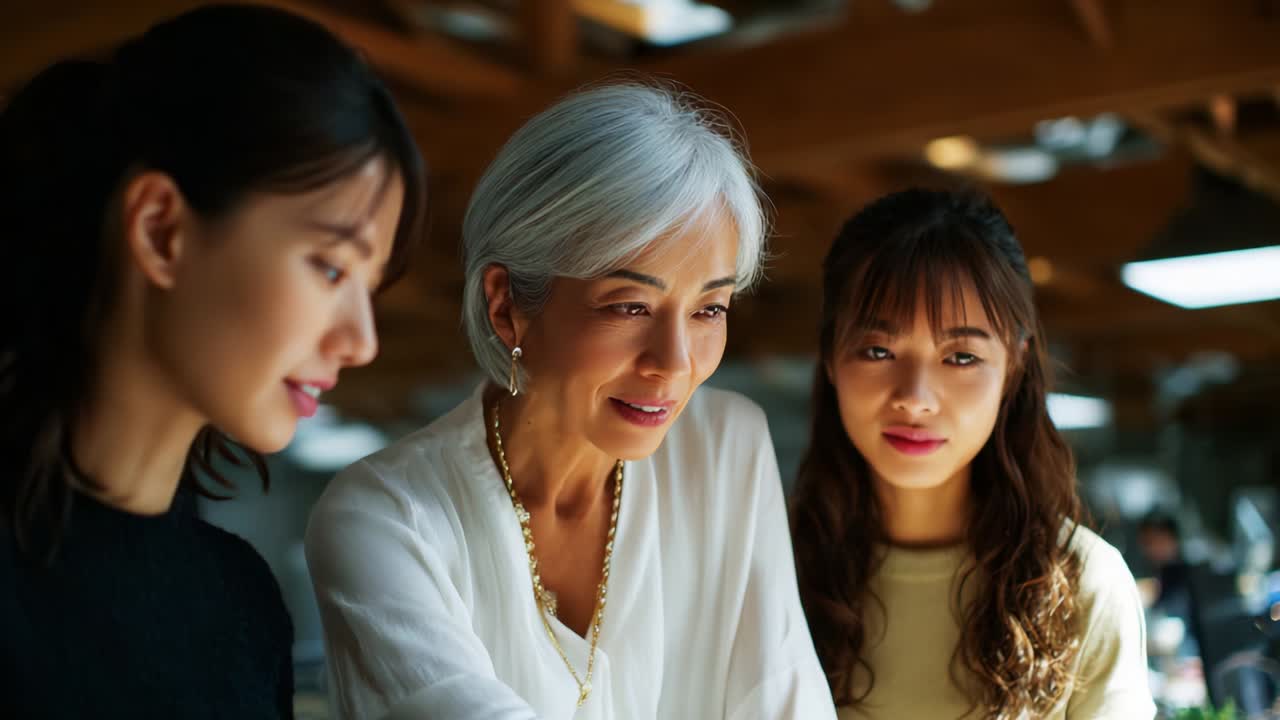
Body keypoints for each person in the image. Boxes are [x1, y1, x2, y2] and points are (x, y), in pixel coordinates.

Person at [305, 83, 835, 720]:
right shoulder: (386, 518)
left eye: (709, 309)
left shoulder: (726, 450)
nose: (674, 362)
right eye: (629, 306)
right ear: (507, 306)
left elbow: (787, 699)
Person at [0, 5, 426, 718]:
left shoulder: (242, 607)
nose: (362, 341)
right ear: (160, 230)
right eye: (330, 268)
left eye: (370, 285)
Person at [790, 189, 1155, 719]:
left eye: (961, 357)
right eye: (878, 351)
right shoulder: (771, 569)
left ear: (1014, 365)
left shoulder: (1084, 586)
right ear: (830, 356)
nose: (915, 397)